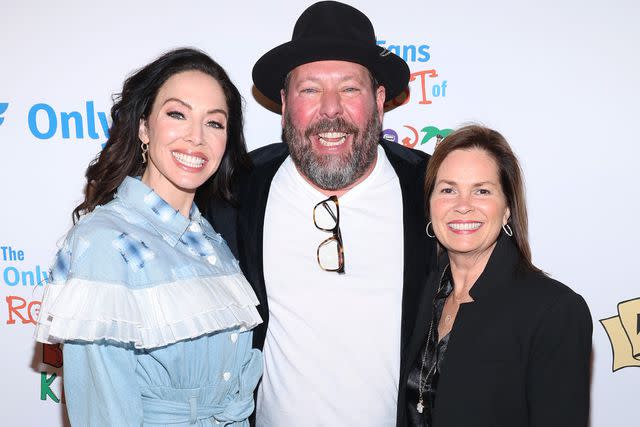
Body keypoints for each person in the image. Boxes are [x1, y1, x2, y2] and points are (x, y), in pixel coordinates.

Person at [205, 2, 436, 425]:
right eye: (310, 89)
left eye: (349, 89)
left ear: (379, 100)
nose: (331, 110)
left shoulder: (431, 191)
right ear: (284, 102)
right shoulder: (235, 192)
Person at [34, 48, 263, 426]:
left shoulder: (212, 242)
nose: (196, 138)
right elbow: (103, 415)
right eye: (177, 114)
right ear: (144, 127)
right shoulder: (105, 243)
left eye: (215, 123)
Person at [400, 125, 592, 426]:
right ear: (430, 205)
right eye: (448, 190)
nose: (463, 206)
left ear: (506, 210)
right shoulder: (426, 293)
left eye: (482, 191)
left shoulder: (554, 311)